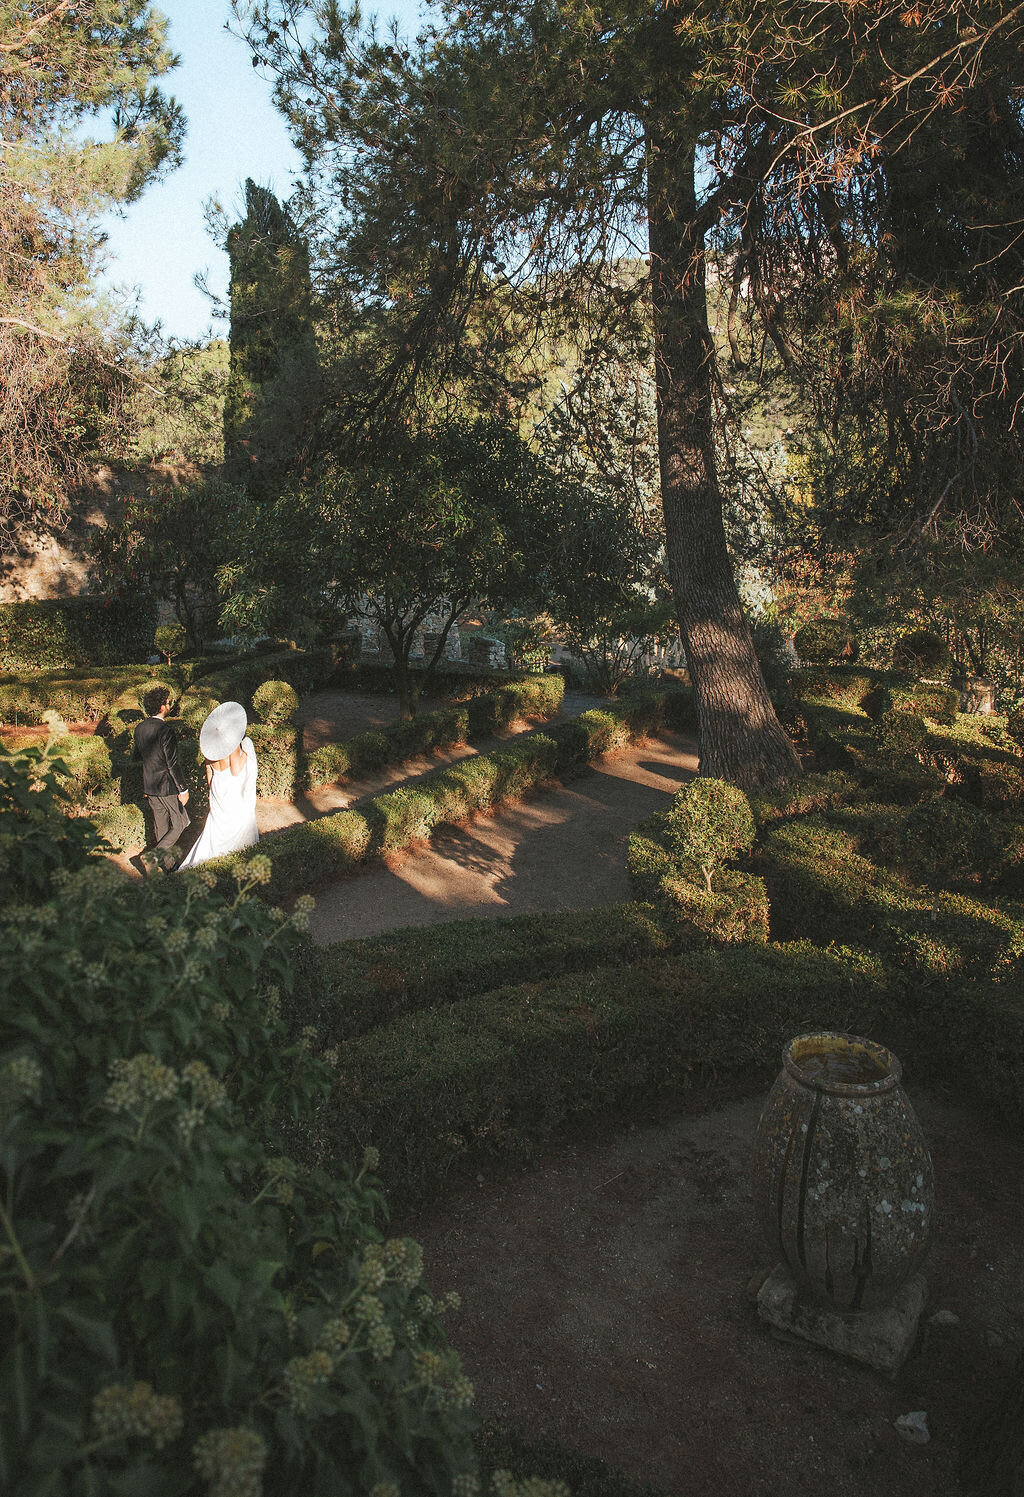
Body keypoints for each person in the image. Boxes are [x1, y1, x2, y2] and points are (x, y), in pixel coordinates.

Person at [178, 700, 259, 868]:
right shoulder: (233, 745)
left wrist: (212, 793)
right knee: (239, 819)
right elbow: (236, 770)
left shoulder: (211, 748)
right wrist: (246, 750)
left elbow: (209, 772)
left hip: (217, 785)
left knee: (218, 822)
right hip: (232, 785)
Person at [133, 686, 190, 874]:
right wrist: (183, 789)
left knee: (161, 826)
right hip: (167, 786)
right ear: (161, 706)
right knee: (182, 822)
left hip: (149, 785)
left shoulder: (139, 728)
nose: (169, 705)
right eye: (167, 702)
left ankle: (170, 868)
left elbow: (136, 757)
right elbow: (172, 763)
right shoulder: (166, 730)